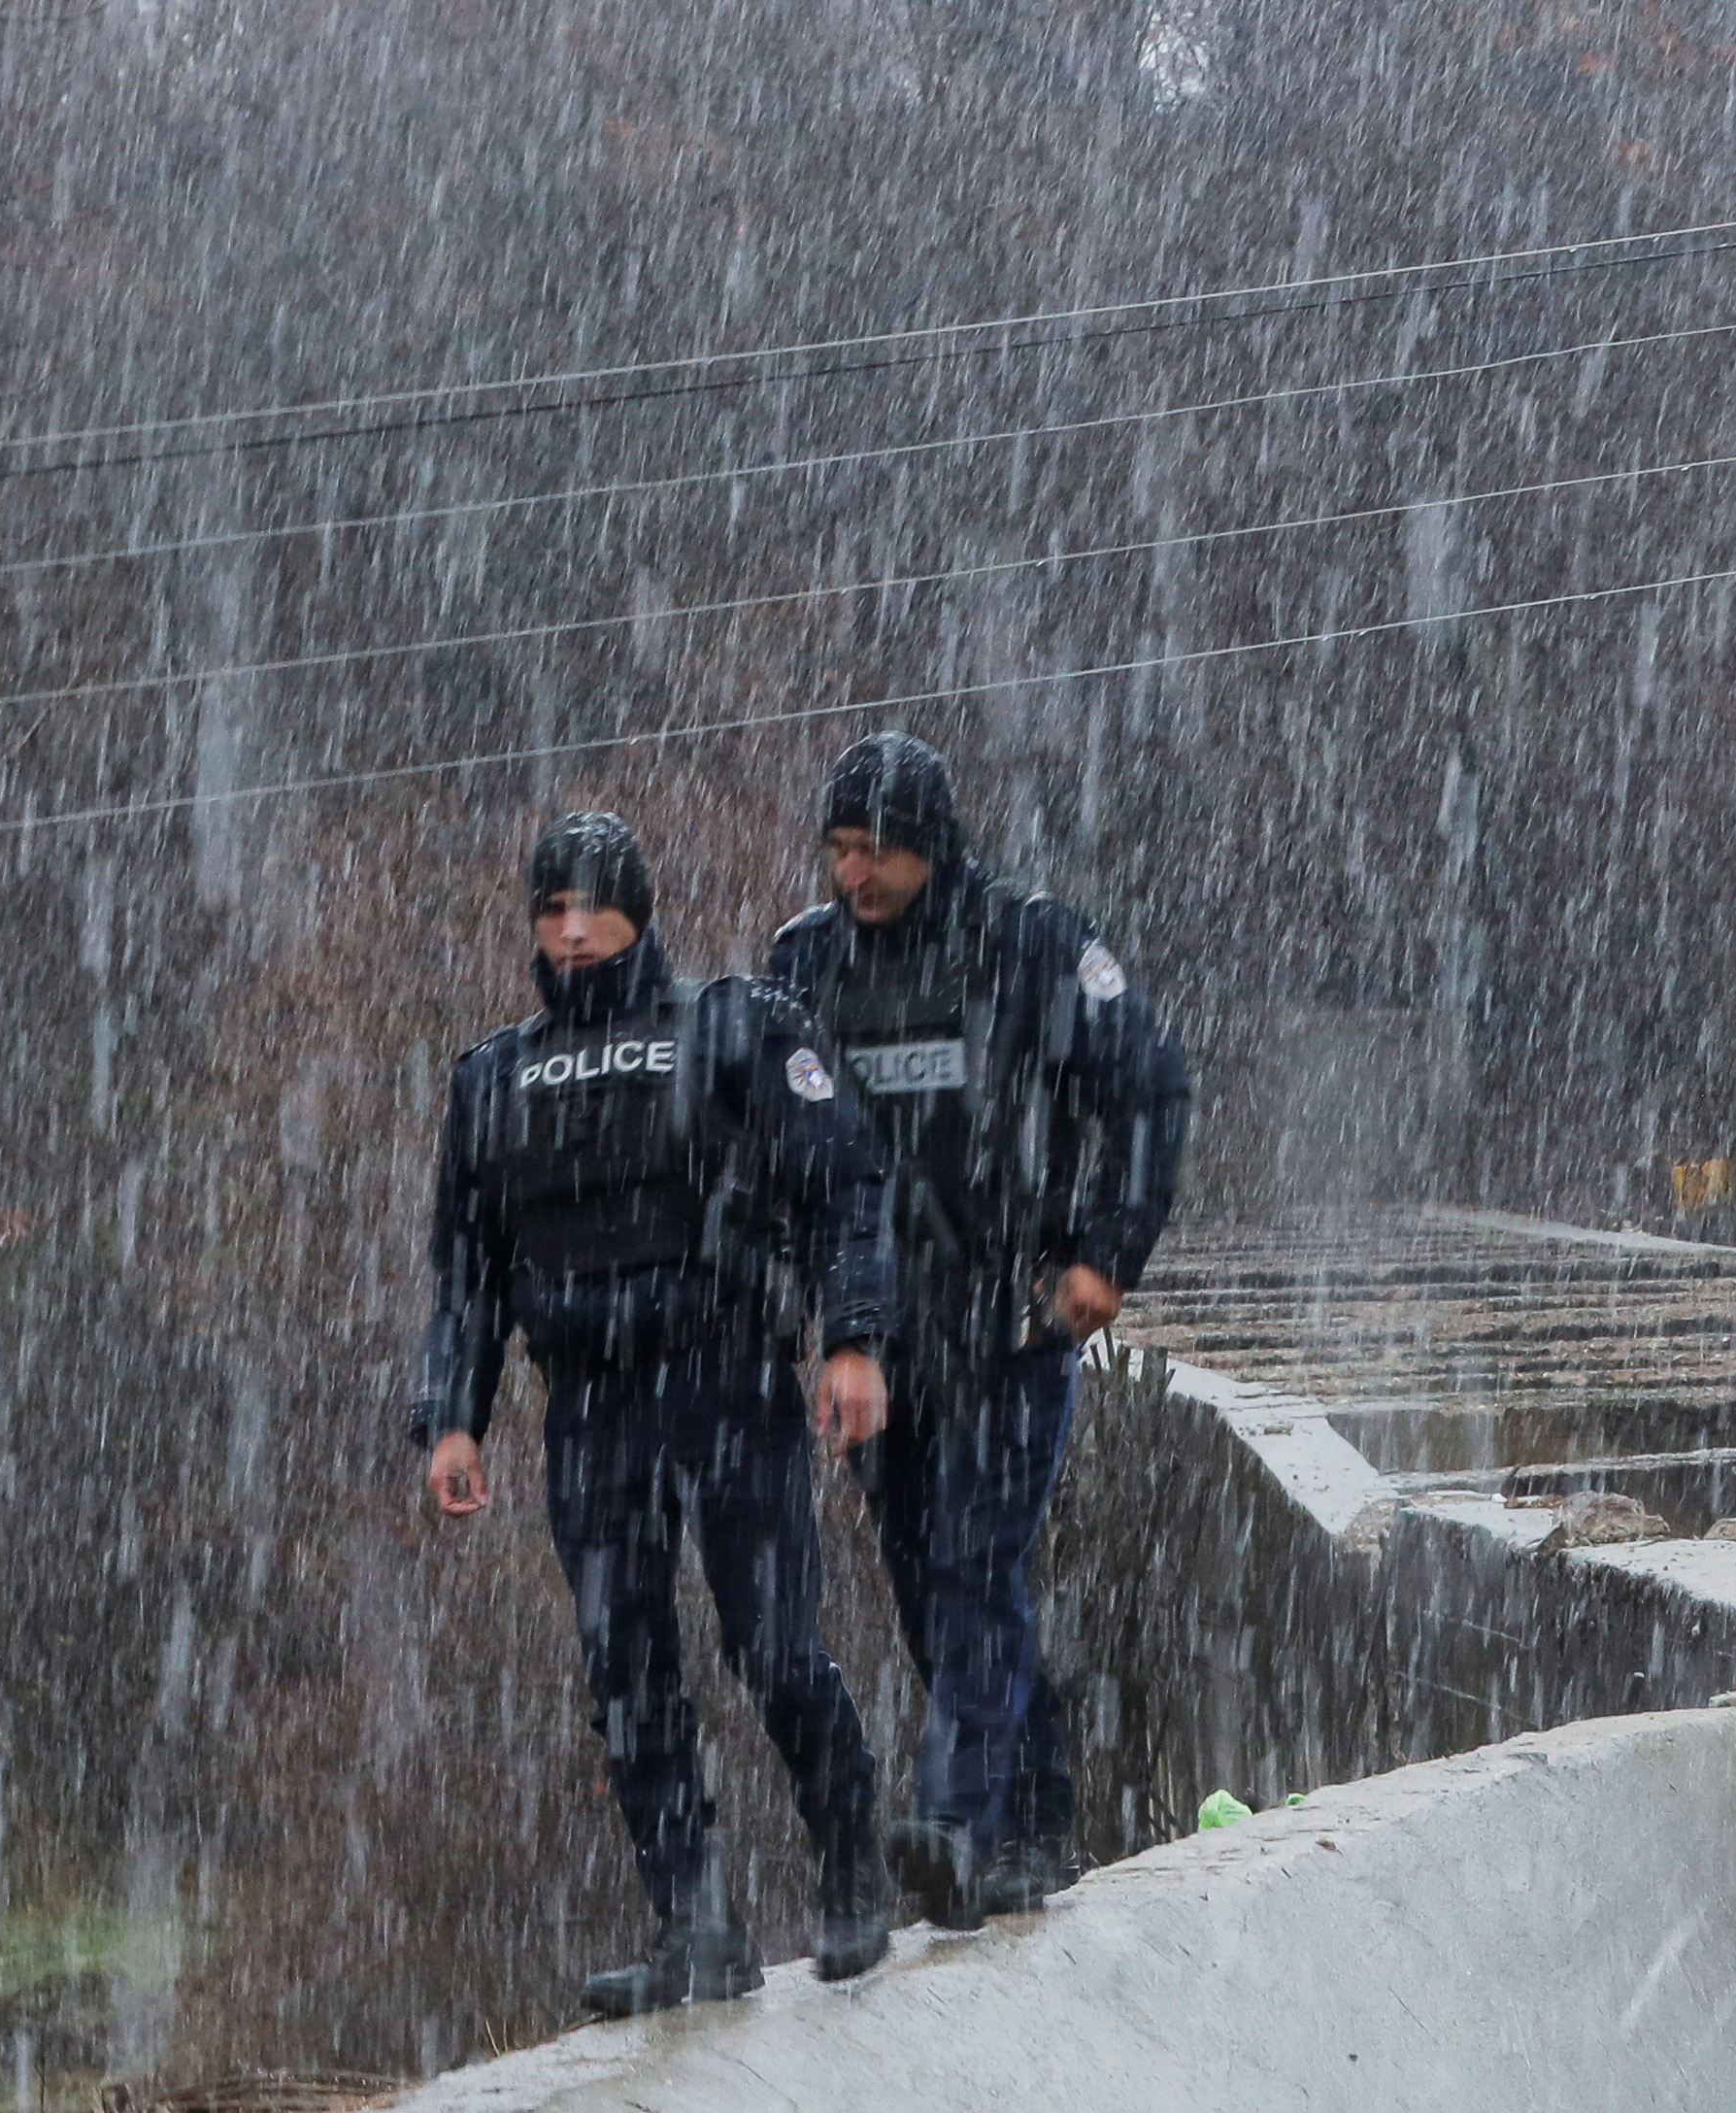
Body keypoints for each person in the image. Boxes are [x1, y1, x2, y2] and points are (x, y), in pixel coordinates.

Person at [415, 812, 901, 2014]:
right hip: (589, 1403)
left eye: (593, 905)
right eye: (551, 909)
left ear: (636, 910)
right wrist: (454, 1416)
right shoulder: (494, 1077)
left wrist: (853, 1340)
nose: (572, 931)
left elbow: (846, 1185)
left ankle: (854, 1872)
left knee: (775, 1648)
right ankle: (694, 1927)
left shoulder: (737, 1025)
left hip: (727, 1378)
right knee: (624, 1671)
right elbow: (469, 1268)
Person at [768, 732, 1190, 1927]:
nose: (852, 874)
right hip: (878, 1335)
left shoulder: (1032, 942)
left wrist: (1108, 1250)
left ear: (931, 846)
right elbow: (774, 1148)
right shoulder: (806, 962)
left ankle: (954, 1822)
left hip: (1011, 1319)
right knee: (929, 1591)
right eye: (838, 849)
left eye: (874, 851)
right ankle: (1032, 1828)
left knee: (973, 1568)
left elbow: (1150, 1090)